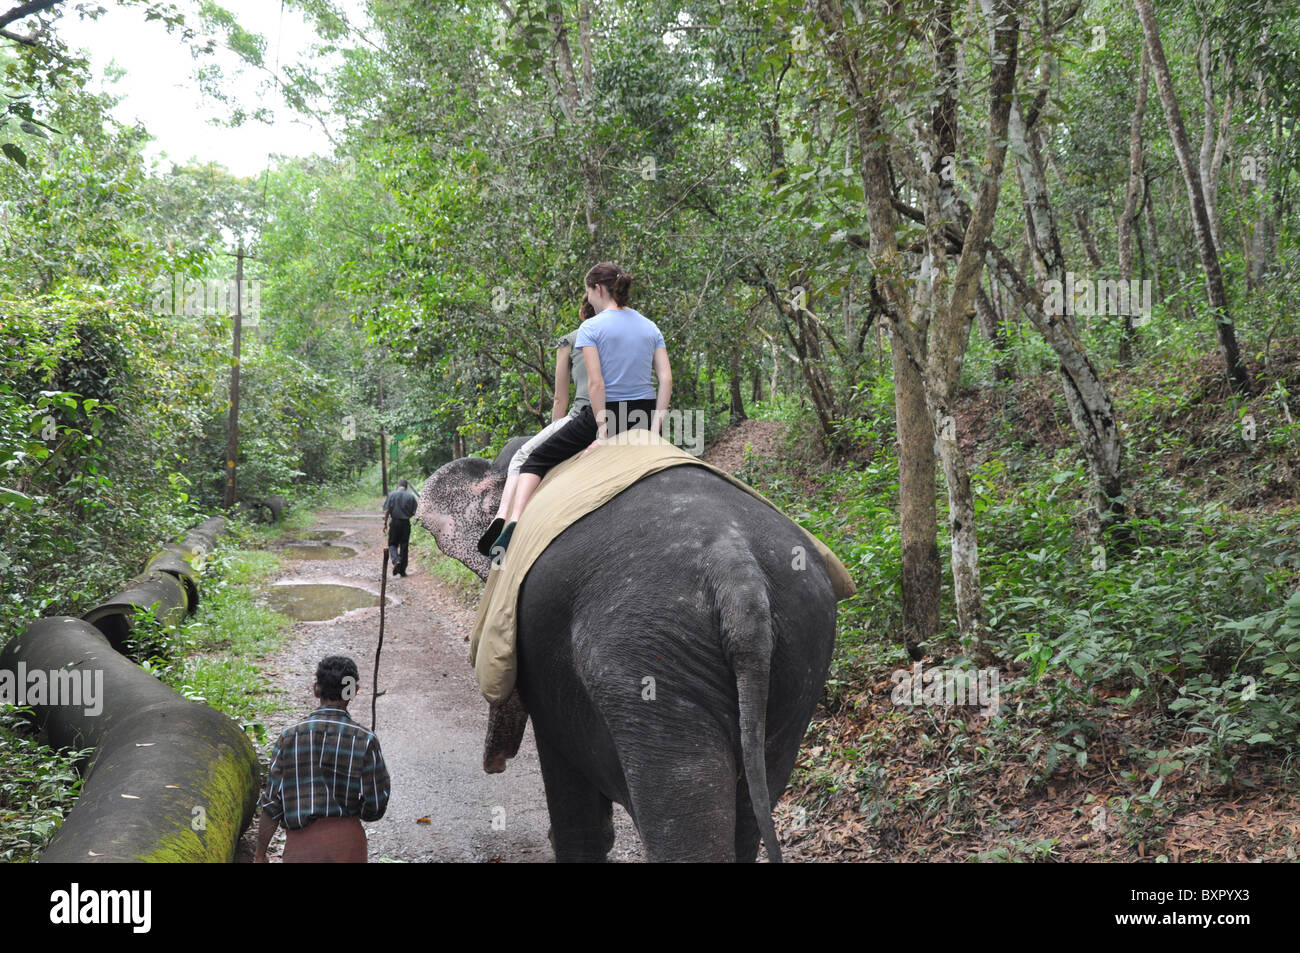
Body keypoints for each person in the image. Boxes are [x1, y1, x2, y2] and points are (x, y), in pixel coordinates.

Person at [490, 261, 672, 556]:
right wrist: (654, 429)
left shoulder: (591, 327)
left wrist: (602, 433)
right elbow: (666, 378)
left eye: (588, 292)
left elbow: (596, 386)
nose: (588, 299)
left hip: (606, 415)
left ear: (598, 289)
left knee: (534, 459)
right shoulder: (649, 326)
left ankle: (514, 523)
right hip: (643, 415)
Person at [477, 294, 596, 557]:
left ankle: (504, 517)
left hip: (583, 416)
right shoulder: (621, 335)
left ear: (581, 313)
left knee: (522, 456)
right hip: (626, 416)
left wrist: (557, 430)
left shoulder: (569, 340)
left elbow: (559, 398)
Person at [254, 655, 390, 863]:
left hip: (301, 848)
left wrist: (260, 853)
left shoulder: (289, 737)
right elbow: (376, 803)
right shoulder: (365, 739)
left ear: (316, 689)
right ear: (352, 691)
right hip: (348, 846)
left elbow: (272, 803)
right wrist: (357, 812)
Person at [382, 478, 418, 576]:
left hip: (394, 522)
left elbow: (387, 511)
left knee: (392, 544)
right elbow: (415, 513)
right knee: (404, 546)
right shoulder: (411, 496)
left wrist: (385, 524)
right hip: (405, 524)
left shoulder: (392, 495)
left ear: (398, 485)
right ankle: (402, 571)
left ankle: (396, 560)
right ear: (406, 487)